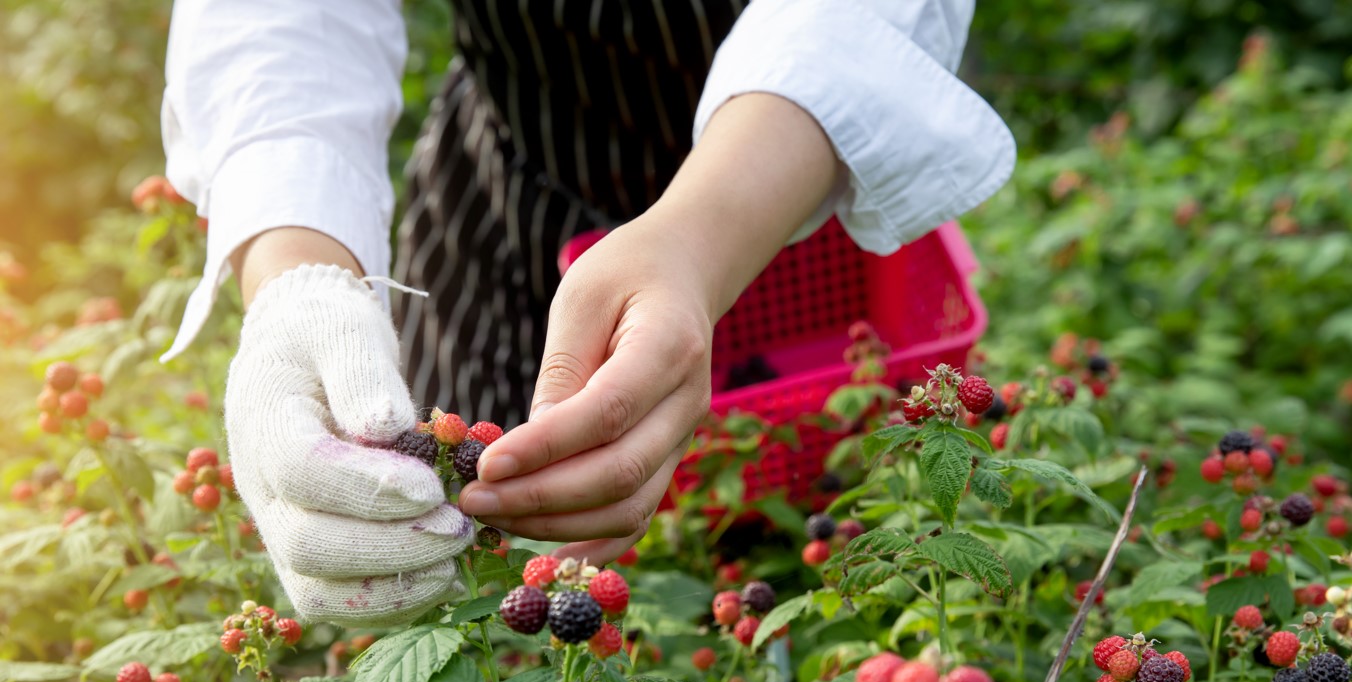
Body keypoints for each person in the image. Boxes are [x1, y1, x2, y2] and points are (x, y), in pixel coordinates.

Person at [159, 0, 1015, 625]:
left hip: (794, 185)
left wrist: (694, 241)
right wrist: (295, 277)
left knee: (819, 585)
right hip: (518, 193)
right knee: (452, 552)